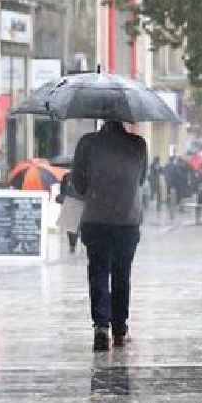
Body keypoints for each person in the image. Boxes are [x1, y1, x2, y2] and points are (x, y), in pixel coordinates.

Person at [72, 121, 148, 351]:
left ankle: (101, 327)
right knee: (122, 274)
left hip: (95, 218)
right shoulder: (138, 144)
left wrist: (96, 192)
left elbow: (78, 182)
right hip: (127, 219)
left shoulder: (87, 143)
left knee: (98, 271)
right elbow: (141, 180)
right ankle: (119, 328)